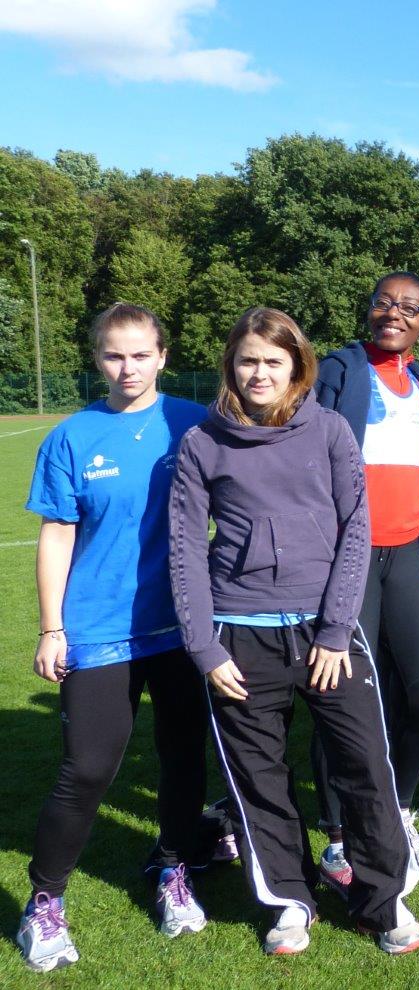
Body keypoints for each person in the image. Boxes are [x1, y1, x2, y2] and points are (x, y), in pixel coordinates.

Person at [169, 307, 419, 956]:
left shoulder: (331, 431)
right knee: (260, 780)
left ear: (297, 366)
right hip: (239, 640)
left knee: (365, 767)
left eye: (272, 361)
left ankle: (383, 900)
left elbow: (356, 530)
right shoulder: (203, 442)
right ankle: (290, 900)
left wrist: (336, 632)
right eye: (247, 360)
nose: (259, 373)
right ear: (231, 365)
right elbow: (185, 550)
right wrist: (204, 647)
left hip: (325, 635)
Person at [17, 304, 210, 973]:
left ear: (162, 356)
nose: (127, 368)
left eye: (140, 354)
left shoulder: (194, 422)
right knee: (88, 768)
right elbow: (57, 533)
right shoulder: (71, 437)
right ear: (97, 358)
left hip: (183, 627)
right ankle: (44, 901)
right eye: (113, 355)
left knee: (183, 756)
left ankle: (174, 867)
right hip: (99, 630)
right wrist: (52, 627)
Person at [310, 272, 419, 886]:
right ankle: (340, 835)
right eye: (384, 302)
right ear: (369, 310)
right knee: (344, 695)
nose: (394, 313)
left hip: (407, 554)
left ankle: (398, 810)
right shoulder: (339, 371)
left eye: (410, 307)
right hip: (350, 557)